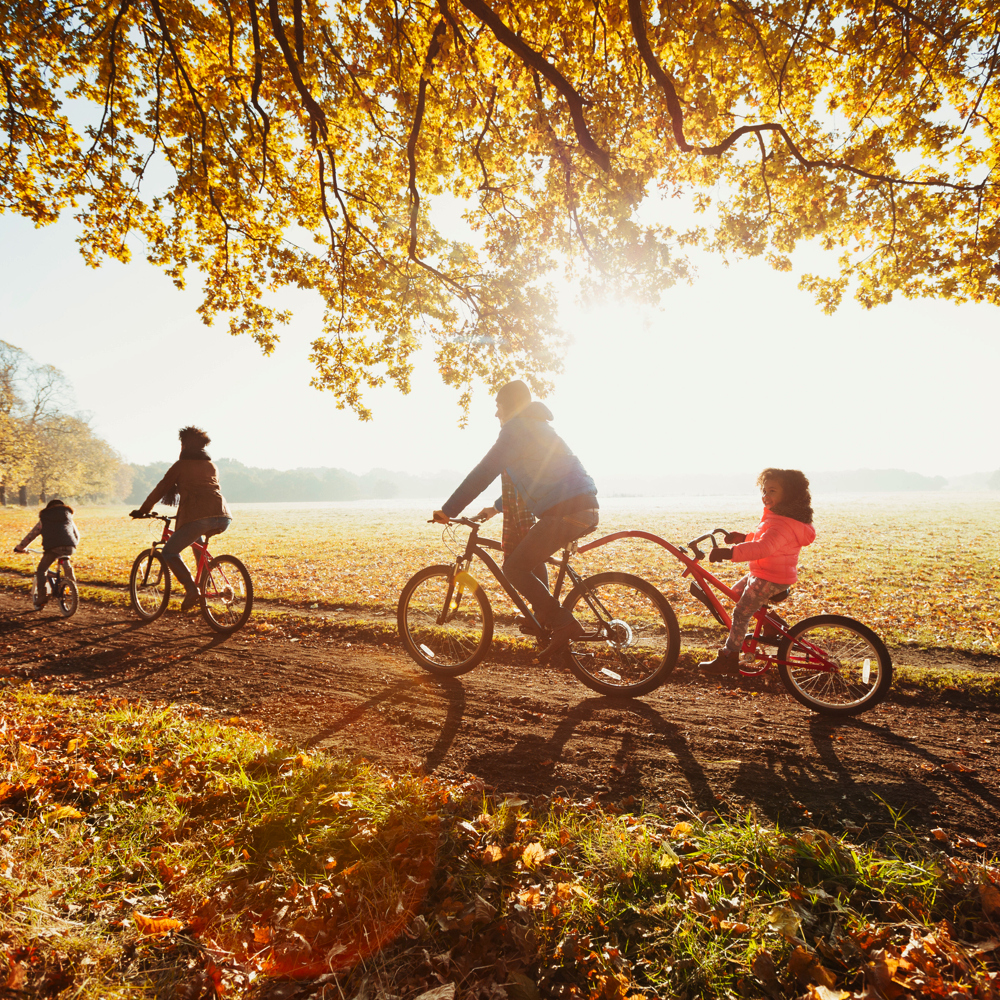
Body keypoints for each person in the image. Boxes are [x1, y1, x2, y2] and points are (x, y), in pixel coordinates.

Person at [433, 380, 599, 656]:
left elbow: (483, 473)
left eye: (498, 406)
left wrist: (448, 510)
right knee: (528, 560)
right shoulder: (538, 426)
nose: (496, 414)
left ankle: (562, 623)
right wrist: (496, 508)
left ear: (509, 405)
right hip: (582, 507)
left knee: (513, 568)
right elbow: (535, 483)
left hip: (565, 511)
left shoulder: (515, 430)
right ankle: (546, 620)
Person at [700, 468, 816, 675]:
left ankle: (729, 657)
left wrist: (729, 553)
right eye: (764, 490)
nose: (765, 496)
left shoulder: (782, 524)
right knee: (736, 594)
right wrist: (744, 537)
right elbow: (763, 539)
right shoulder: (780, 519)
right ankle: (770, 624)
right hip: (767, 573)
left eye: (772, 491)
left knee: (741, 612)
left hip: (771, 578)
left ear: (789, 495)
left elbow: (764, 547)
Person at [131, 426, 231, 611]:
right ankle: (203, 584)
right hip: (223, 516)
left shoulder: (181, 466)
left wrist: (143, 510)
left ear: (184, 445)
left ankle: (192, 590)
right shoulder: (212, 466)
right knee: (197, 540)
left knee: (169, 553)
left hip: (198, 517)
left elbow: (162, 488)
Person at [14, 498, 80, 609]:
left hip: (53, 548)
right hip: (70, 547)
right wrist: (72, 544)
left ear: (49, 509)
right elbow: (76, 534)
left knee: (41, 570)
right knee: (64, 558)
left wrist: (20, 547)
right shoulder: (68, 517)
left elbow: (32, 535)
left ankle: (42, 597)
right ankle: (69, 575)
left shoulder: (45, 518)